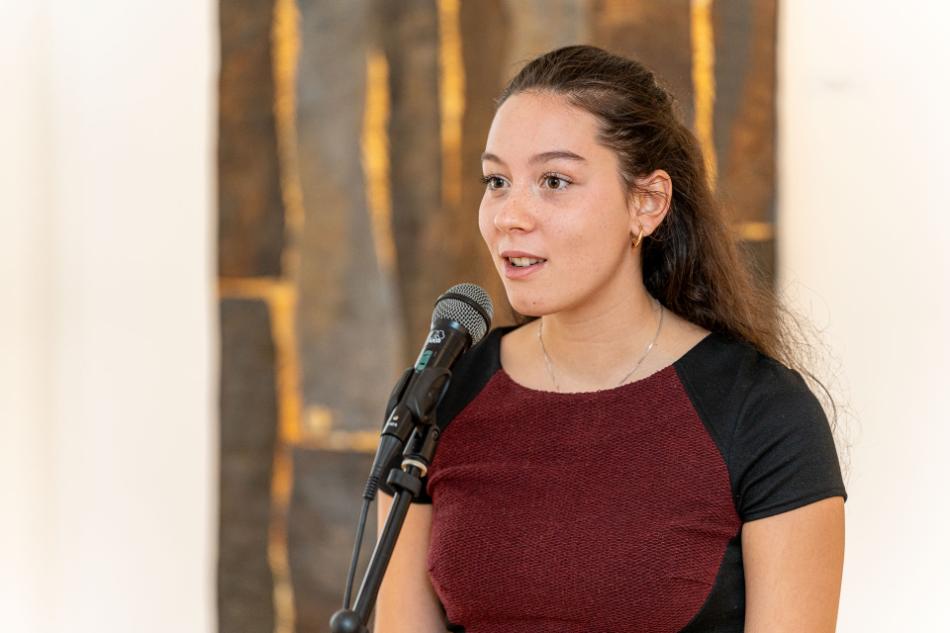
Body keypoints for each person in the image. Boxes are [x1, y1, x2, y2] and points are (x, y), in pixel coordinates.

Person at [375, 44, 846, 633]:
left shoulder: (761, 411)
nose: (509, 215)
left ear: (647, 203)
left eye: (554, 180)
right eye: (496, 180)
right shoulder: (439, 395)